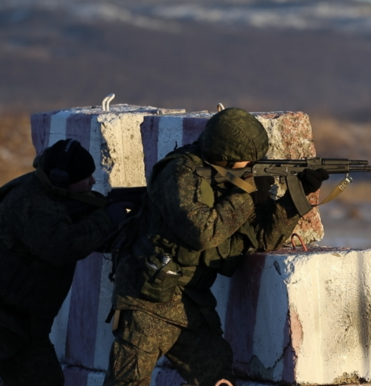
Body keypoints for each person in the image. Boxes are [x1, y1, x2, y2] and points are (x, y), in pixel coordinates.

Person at [102, 108, 328, 386]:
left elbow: (263, 239)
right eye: (248, 160)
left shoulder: (233, 178)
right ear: (227, 156)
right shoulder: (179, 173)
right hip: (146, 299)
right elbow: (203, 232)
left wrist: (296, 198)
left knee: (219, 379)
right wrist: (244, 192)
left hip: (189, 303)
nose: (253, 165)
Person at [0, 139, 132, 386]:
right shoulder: (28, 200)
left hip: (25, 327)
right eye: (85, 176)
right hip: (8, 321)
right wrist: (106, 219)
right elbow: (62, 246)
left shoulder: (53, 195)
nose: (93, 182)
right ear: (60, 179)